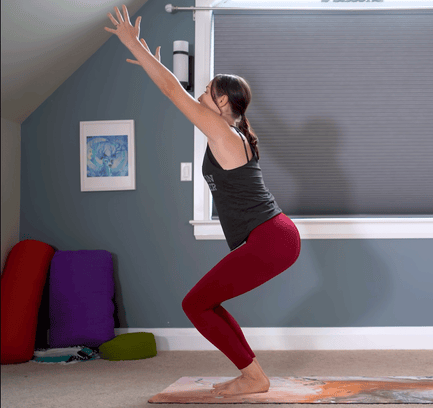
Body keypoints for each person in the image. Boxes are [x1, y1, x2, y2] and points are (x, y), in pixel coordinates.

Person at [105, 5, 301, 396]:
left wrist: (136, 46)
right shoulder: (233, 132)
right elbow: (177, 91)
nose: (202, 91)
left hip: (272, 239)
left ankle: (254, 377)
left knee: (195, 304)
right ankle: (252, 374)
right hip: (274, 237)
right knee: (204, 303)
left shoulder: (225, 133)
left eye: (210, 90)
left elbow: (169, 90)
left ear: (225, 104)